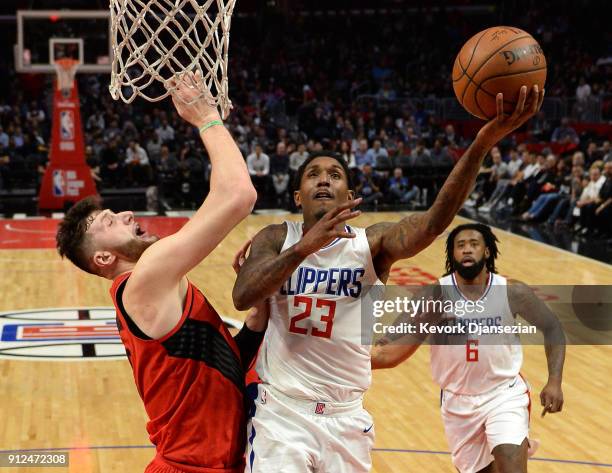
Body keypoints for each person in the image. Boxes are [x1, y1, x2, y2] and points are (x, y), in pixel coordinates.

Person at [232, 86, 544, 473]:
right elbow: (243, 296)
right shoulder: (277, 238)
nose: (324, 180)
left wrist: (480, 144)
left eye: (334, 175)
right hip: (281, 411)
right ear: (298, 196)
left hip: (346, 416)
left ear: (350, 194)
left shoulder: (373, 242)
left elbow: (432, 222)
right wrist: (302, 249)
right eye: (313, 175)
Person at [55, 72, 266, 473]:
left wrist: (257, 319)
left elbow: (215, 369)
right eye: (110, 221)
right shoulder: (143, 282)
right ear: (103, 259)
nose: (127, 214)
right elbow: (239, 194)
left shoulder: (159, 288)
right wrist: (206, 117)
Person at [370, 223, 565, 473]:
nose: (467, 250)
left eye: (474, 244)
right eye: (460, 245)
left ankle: (512, 440)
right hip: (457, 401)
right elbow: (391, 341)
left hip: (503, 393)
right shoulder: (435, 294)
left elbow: (552, 327)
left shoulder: (511, 291)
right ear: (452, 254)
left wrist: (555, 381)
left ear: (486, 251)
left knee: (510, 464)